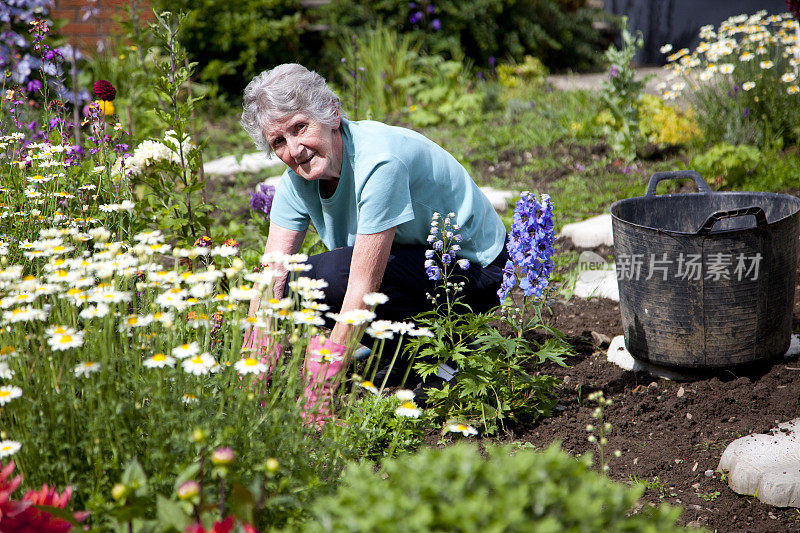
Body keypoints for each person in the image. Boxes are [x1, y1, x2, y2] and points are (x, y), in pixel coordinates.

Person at [240, 63, 508, 427]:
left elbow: (362, 288)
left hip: (472, 273)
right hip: (418, 266)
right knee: (292, 282)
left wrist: (324, 376)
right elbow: (272, 272)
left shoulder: (378, 161)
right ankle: (405, 355)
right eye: (278, 142)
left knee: (328, 277)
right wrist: (254, 358)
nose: (295, 149)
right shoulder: (297, 179)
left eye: (300, 127)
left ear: (332, 114)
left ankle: (444, 363)